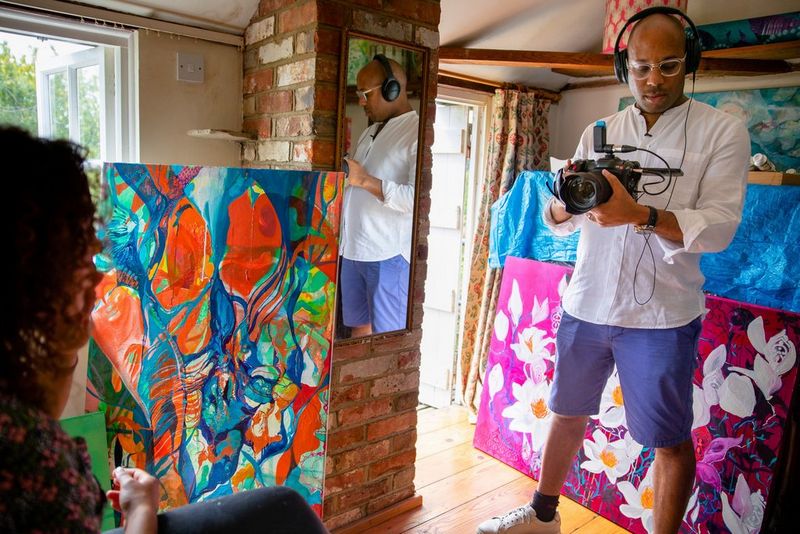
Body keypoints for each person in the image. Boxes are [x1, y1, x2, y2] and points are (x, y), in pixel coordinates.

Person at [478, 8, 749, 534]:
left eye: (669, 66)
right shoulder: (600, 130)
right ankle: (543, 515)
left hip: (662, 315)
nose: (654, 79)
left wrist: (641, 215)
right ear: (625, 66)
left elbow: (718, 228)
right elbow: (559, 218)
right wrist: (564, 206)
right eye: (642, 67)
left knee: (667, 438)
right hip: (588, 301)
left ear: (688, 63)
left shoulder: (722, 132)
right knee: (566, 410)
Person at [0, 126, 330, 534]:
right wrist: (142, 512)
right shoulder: (34, 463)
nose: (94, 279)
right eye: (78, 257)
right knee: (287, 512)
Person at [340, 54, 418, 336]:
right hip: (352, 250)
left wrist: (364, 180)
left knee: (387, 340)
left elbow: (416, 201)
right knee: (358, 331)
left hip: (387, 255)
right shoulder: (371, 130)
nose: (361, 101)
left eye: (365, 94)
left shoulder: (417, 132)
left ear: (392, 89)